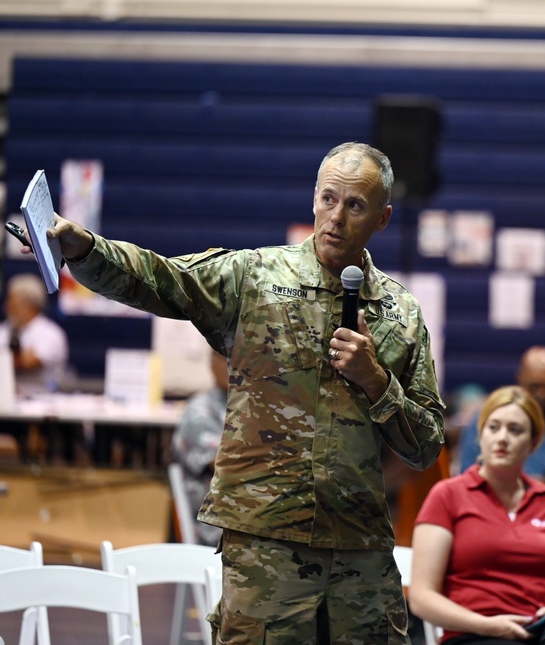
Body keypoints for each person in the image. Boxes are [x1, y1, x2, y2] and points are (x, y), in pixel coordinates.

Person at [42, 142, 446, 644]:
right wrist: (86, 249)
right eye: (328, 199)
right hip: (265, 543)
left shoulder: (400, 314)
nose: (336, 217)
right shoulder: (254, 276)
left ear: (383, 218)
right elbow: (164, 279)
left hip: (359, 551)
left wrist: (376, 381)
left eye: (355, 205)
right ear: (313, 199)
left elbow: (426, 446)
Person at [409, 385, 545, 645]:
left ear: (534, 443)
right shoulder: (447, 495)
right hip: (475, 633)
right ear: (480, 435)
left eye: (515, 430)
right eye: (493, 427)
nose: (502, 438)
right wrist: (489, 626)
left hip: (540, 631)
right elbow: (421, 597)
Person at [459, 346, 545, 511]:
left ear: (535, 441)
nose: (542, 394)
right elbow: (465, 478)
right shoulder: (487, 421)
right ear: (520, 379)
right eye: (534, 386)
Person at [170, 349, 228, 546]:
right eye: (225, 357)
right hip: (215, 528)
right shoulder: (200, 411)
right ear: (212, 363)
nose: (234, 365)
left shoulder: (256, 409)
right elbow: (223, 465)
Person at [0, 272, 68, 396]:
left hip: (42, 400)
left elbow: (27, 363)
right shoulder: (4, 330)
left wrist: (9, 358)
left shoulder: (50, 333)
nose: (7, 306)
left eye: (12, 300)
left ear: (29, 304)